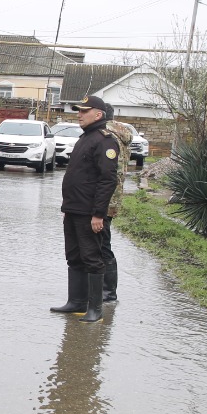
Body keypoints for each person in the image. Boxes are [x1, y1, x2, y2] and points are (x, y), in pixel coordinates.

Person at [50, 95, 119, 323]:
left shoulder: (105, 141)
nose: (79, 114)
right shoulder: (86, 138)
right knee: (74, 257)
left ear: (98, 114)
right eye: (78, 110)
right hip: (73, 208)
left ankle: (95, 309)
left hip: (90, 212)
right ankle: (76, 302)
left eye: (84, 111)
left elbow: (107, 180)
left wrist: (99, 213)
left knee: (92, 257)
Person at [102, 118, 135, 303]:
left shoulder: (109, 138)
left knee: (103, 246)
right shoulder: (121, 136)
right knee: (103, 244)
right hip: (112, 200)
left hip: (105, 201)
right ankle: (106, 290)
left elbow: (110, 175)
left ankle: (108, 292)